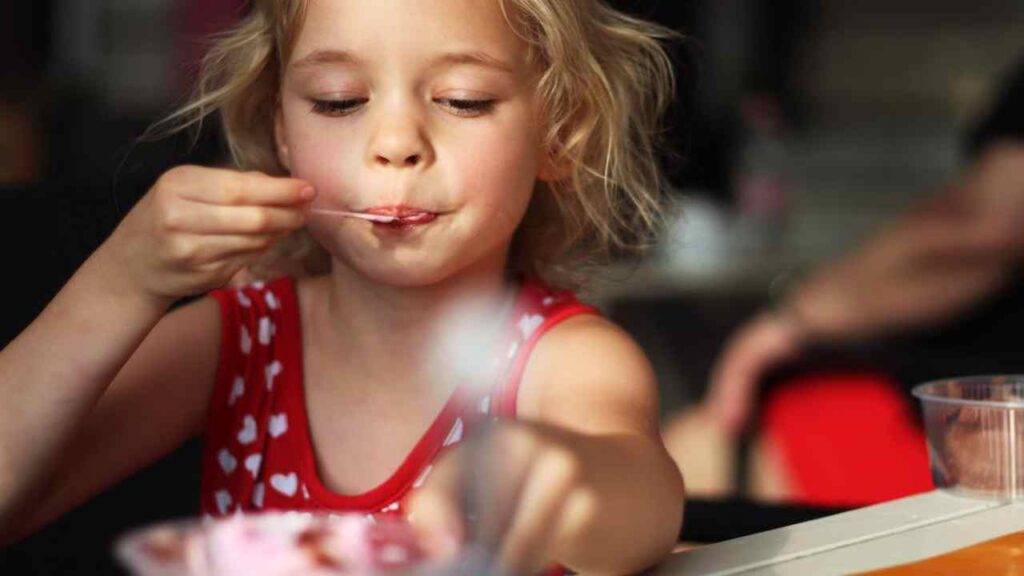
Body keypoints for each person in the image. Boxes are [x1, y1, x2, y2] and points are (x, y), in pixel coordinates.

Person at [0, 1, 685, 574]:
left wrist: (554, 476)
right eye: (338, 101)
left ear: (558, 134)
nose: (393, 141)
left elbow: (644, 504)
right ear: (282, 132)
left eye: (462, 100)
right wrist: (120, 283)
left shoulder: (562, 361)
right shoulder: (242, 343)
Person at [708, 56, 1024, 436]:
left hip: (991, 428)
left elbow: (985, 228)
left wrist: (792, 318)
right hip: (974, 404)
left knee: (705, 443)